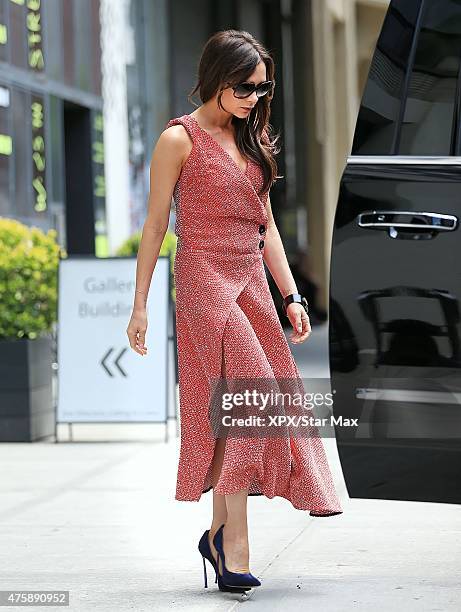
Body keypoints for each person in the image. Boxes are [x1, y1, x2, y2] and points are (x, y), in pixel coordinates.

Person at [126, 29, 343, 594]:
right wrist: (140, 305)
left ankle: (219, 535)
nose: (253, 97)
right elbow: (155, 226)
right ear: (216, 78)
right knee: (252, 399)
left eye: (261, 87)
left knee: (239, 408)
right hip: (203, 282)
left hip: (250, 282)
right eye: (244, 87)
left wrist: (291, 296)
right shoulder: (179, 139)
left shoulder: (253, 140)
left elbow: (265, 226)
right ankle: (236, 545)